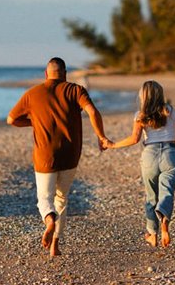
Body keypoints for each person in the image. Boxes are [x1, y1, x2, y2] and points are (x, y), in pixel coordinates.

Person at [7, 57, 110, 257]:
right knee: (62, 198)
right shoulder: (76, 90)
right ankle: (55, 245)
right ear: (65, 74)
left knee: (44, 199)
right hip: (70, 155)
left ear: (46, 74)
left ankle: (49, 220)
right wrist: (101, 137)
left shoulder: (32, 93)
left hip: (45, 155)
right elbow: (92, 111)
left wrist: (33, 123)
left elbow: (11, 119)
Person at [102, 80, 175, 248]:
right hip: (170, 154)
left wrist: (112, 144)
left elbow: (134, 139)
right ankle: (164, 223)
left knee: (151, 197)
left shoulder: (140, 115)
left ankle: (152, 235)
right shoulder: (171, 111)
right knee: (166, 193)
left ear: (144, 97)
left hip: (149, 156)